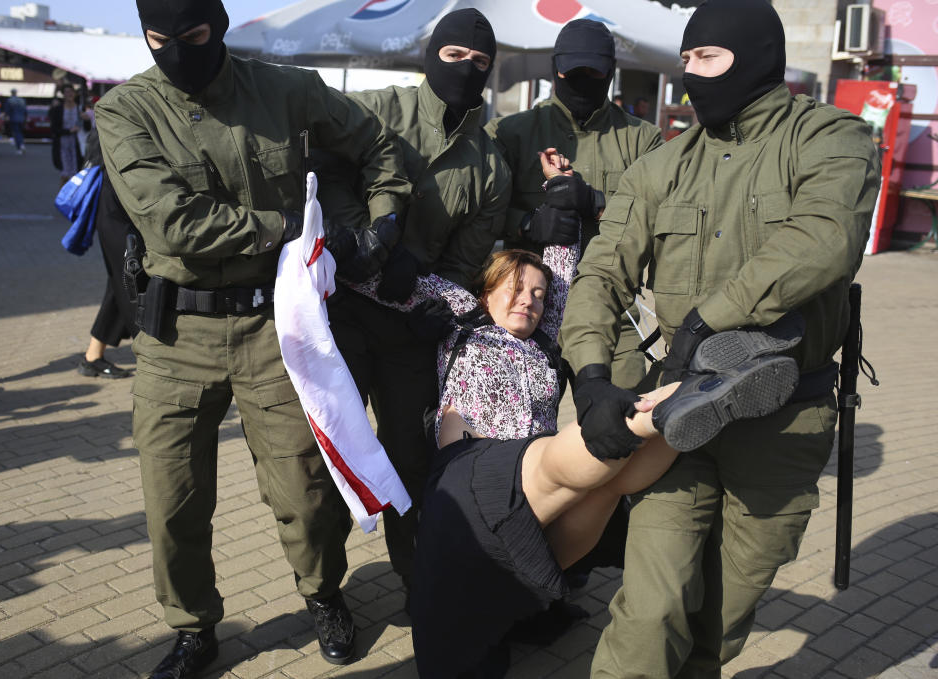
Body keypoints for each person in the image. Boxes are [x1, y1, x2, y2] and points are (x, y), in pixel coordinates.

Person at [341, 150, 800, 677]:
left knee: (611, 484)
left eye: (537, 295)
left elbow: (561, 269)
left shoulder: (545, 337)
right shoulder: (463, 315)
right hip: (470, 476)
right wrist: (345, 247)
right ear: (487, 289)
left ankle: (702, 397)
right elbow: (374, 277)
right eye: (515, 288)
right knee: (575, 452)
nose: (529, 300)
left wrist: (563, 189)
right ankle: (690, 390)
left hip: (540, 492)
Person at [558, 0, 882, 676]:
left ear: (756, 55)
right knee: (652, 605)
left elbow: (825, 239)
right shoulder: (661, 164)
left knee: (722, 618)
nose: (690, 78)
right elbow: (602, 269)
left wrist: (712, 318)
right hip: (677, 409)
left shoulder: (832, 138)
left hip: (783, 417)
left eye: (706, 58)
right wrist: (589, 375)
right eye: (685, 62)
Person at [95, 0, 411, 675]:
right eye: (160, 39)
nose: (178, 50)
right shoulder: (124, 111)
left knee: (304, 487)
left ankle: (324, 593)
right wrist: (297, 226)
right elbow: (173, 224)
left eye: (195, 35)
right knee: (172, 496)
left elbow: (377, 144)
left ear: (221, 23)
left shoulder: (286, 88)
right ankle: (192, 626)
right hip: (177, 333)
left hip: (276, 326)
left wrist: (382, 220)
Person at [315, 7, 511, 595]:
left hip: (409, 323)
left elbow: (465, 259)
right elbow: (325, 172)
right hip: (344, 308)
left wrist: (434, 303)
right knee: (328, 461)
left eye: (480, 63)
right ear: (431, 54)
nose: (465, 69)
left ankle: (416, 577)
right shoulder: (377, 109)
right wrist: (370, 238)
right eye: (453, 56)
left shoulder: (490, 163)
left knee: (411, 457)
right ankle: (323, 591)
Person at [485, 18, 663, 420]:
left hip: (612, 317)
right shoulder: (509, 133)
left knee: (620, 429)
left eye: (594, 72)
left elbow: (659, 215)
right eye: (572, 71)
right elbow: (481, 212)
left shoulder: (642, 139)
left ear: (611, 73)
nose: (582, 80)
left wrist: (597, 202)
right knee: (516, 432)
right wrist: (527, 225)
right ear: (554, 69)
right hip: (525, 312)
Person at [75, 130, 139, 380]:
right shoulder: (116, 122)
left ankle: (92, 357)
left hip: (117, 215)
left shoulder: (108, 126)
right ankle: (153, 357)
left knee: (121, 284)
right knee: (130, 284)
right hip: (118, 218)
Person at [49, 83, 84, 182]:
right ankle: (64, 196)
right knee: (65, 173)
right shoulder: (58, 109)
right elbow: (54, 129)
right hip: (63, 144)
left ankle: (76, 196)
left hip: (78, 144)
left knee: (77, 172)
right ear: (63, 94)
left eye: (71, 92)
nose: (69, 94)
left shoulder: (80, 108)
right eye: (67, 92)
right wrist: (68, 131)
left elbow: (87, 126)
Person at [3, 88, 27, 154]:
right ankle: (22, 144)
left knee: (16, 133)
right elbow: (25, 111)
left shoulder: (10, 100)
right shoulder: (22, 100)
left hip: (14, 119)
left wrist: (5, 117)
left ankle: (19, 147)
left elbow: (7, 111)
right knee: (20, 132)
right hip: (21, 119)